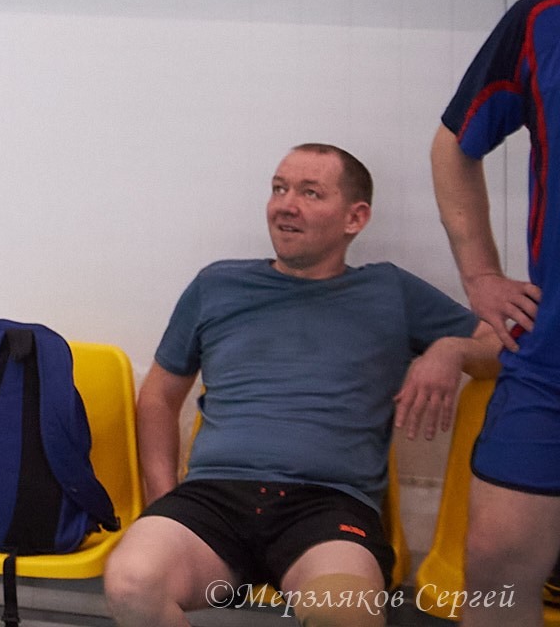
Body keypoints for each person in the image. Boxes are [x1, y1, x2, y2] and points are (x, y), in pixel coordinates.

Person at [102, 144, 495, 627]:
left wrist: (451, 350)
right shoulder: (218, 285)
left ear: (356, 217)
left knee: (344, 614)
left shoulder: (390, 291)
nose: (286, 204)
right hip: (213, 498)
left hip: (330, 505)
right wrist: (163, 501)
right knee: (131, 583)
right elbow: (160, 397)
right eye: (279, 189)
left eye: (311, 193)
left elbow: (501, 346)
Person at [433, 0, 560, 627]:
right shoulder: (543, 20)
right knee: (495, 561)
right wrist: (480, 274)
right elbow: (455, 146)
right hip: (551, 364)